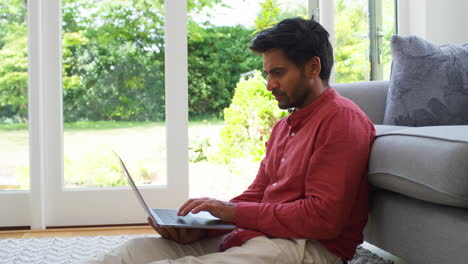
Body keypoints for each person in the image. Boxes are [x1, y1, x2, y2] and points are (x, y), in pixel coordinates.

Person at [81, 17, 376, 264]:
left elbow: (323, 218)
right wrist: (203, 226)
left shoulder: (341, 120)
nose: (269, 84)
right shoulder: (285, 126)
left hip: (308, 247)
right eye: (267, 73)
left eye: (278, 73)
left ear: (313, 67)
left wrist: (232, 213)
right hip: (263, 235)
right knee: (130, 253)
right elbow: (257, 194)